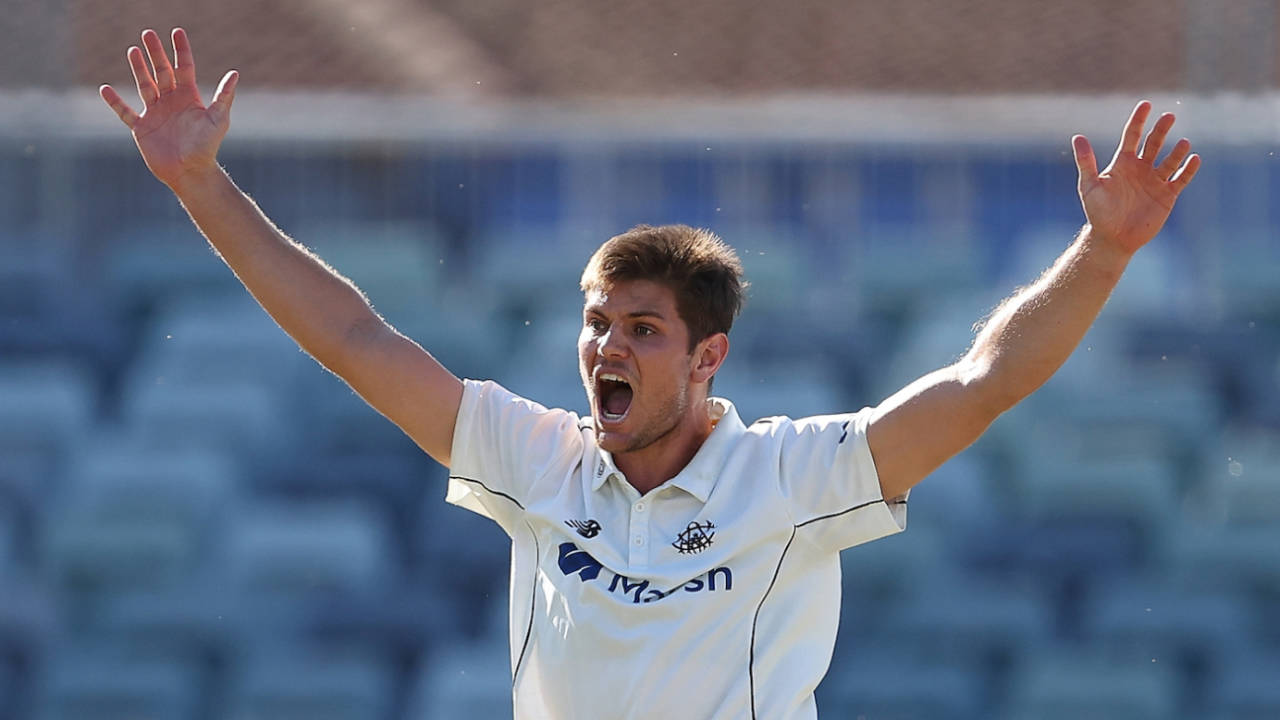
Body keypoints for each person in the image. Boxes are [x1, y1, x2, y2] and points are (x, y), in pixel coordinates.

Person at [101, 27, 1200, 720]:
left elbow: (980, 382)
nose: (605, 349)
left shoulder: (788, 477)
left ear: (708, 355)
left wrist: (1102, 251)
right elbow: (352, 338)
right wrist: (201, 184)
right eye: (594, 325)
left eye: (641, 329)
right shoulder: (535, 459)